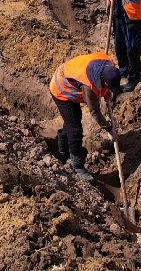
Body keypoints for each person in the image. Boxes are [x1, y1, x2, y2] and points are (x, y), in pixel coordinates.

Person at [48, 50, 121, 179]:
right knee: (75, 127)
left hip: (69, 75)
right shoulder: (89, 86)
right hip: (61, 90)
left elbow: (103, 86)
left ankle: (62, 152)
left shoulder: (107, 62)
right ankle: (77, 166)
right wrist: (108, 128)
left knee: (71, 121)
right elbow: (95, 111)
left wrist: (106, 92)